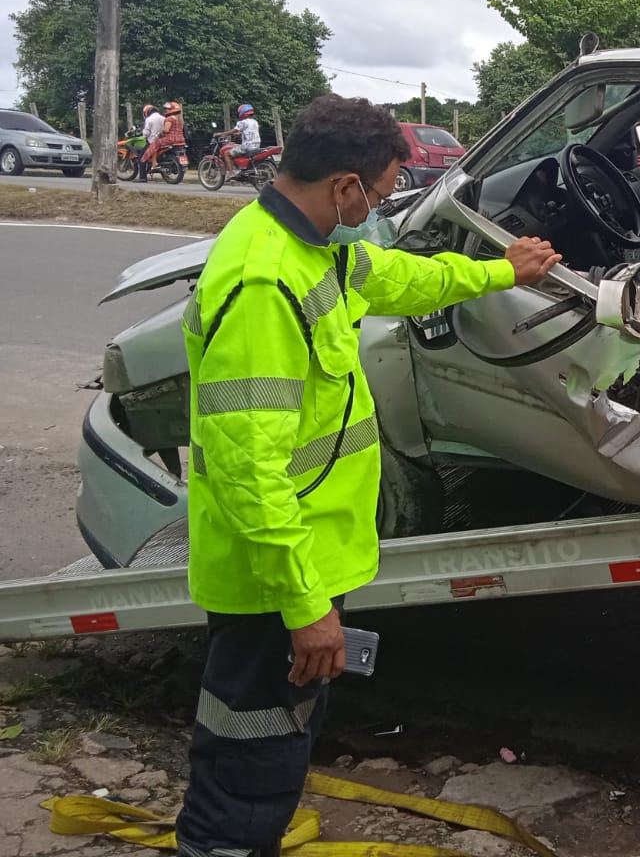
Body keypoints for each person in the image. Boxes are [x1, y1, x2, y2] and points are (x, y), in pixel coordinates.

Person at [174, 95, 562, 857]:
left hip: (304, 562)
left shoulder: (315, 248)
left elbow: (396, 279)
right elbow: (249, 470)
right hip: (274, 579)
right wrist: (305, 606)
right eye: (380, 194)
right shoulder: (263, 284)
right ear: (345, 185)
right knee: (251, 756)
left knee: (276, 741)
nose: (380, 207)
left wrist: (497, 271)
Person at [137, 102, 164, 183]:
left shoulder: (149, 119)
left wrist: (143, 133)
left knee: (142, 158)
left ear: (147, 112)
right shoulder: (163, 118)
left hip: (152, 141)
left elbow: (146, 133)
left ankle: (142, 178)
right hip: (162, 141)